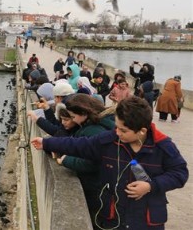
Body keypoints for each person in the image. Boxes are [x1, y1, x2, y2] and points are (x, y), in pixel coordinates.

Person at [31, 96, 189, 230]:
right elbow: (80, 145)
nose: (117, 132)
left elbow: (180, 173)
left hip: (146, 221)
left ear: (142, 131)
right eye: (117, 127)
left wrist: (151, 186)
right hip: (112, 217)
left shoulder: (163, 147)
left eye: (123, 130)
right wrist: (47, 144)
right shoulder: (109, 140)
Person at [52, 94, 115, 229]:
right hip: (101, 186)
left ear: (84, 113)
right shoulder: (97, 125)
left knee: (97, 220)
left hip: (97, 187)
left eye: (73, 117)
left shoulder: (94, 130)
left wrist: (66, 160)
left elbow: (91, 162)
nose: (74, 121)